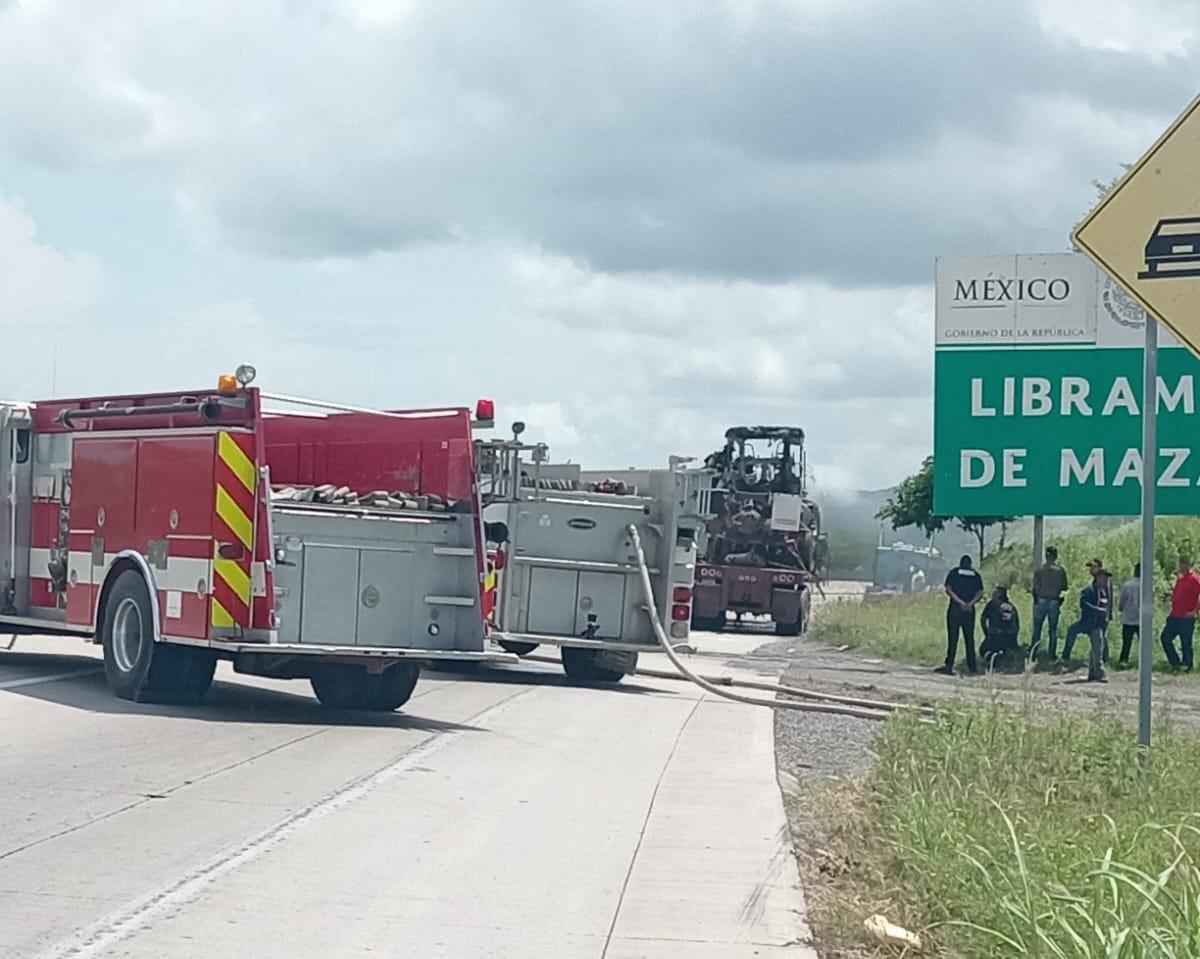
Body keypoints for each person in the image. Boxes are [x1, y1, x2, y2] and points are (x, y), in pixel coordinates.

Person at [936, 554, 983, 675]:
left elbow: (948, 589)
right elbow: (980, 592)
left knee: (953, 638)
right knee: (969, 638)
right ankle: (972, 667)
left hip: (955, 609)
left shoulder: (954, 573)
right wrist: (970, 603)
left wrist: (960, 602)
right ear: (970, 564)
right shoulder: (976, 575)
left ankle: (949, 665)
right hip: (969, 610)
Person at [1062, 561, 1107, 681]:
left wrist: (1105, 618)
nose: (1105, 581)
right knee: (1097, 648)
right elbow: (1083, 604)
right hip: (1088, 622)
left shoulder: (1103, 592)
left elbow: (1106, 607)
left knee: (1097, 648)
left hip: (1098, 624)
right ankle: (1100, 673)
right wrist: (1097, 610)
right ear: (1098, 578)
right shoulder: (1089, 590)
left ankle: (1093, 672)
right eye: (1104, 578)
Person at [1161, 555, 1200, 671]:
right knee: (1165, 638)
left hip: (1186, 617)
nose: (1181, 566)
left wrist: (1194, 611)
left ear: (1189, 564)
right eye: (1180, 564)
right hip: (1175, 616)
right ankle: (1175, 662)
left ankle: (1187, 665)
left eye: (1184, 564)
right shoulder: (1180, 579)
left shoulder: (1194, 579)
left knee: (1185, 643)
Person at [1030, 546, 1068, 660]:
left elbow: (1034, 588)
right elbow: (1065, 587)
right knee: (1053, 630)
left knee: (1037, 628)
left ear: (1046, 556)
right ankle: (1052, 655)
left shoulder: (1040, 571)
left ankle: (1033, 653)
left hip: (1040, 600)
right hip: (1054, 601)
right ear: (1055, 556)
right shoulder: (1060, 571)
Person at [980, 586, 1021, 669]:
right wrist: (1014, 637)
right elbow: (1016, 624)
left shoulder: (991, 605)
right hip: (1009, 636)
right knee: (1007, 649)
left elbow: (983, 619)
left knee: (983, 650)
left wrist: (987, 633)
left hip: (995, 636)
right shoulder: (1011, 606)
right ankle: (1005, 655)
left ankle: (992, 658)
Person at [1117, 563, 1140, 666]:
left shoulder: (1128, 585)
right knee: (1143, 643)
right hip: (1142, 618)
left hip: (1128, 617)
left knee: (1126, 642)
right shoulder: (1147, 585)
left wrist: (1121, 608)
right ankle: (1143, 661)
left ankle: (1123, 660)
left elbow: (1122, 601)